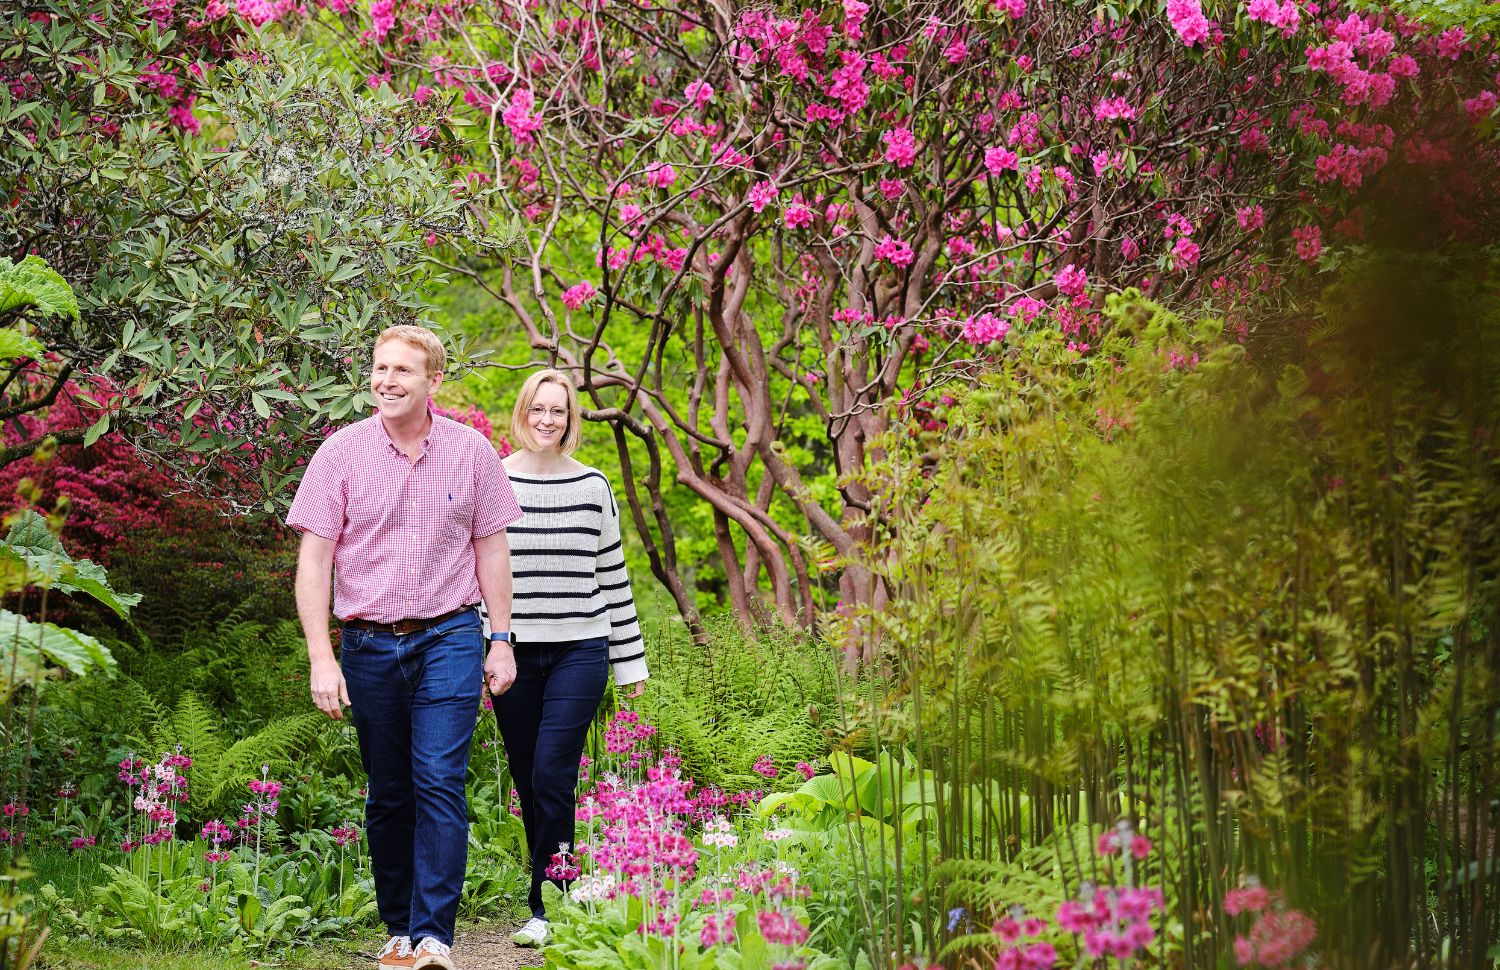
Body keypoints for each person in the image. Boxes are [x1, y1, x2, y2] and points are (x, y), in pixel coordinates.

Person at [288, 325, 523, 970]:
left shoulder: (471, 451)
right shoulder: (339, 453)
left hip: (449, 635)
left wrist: (499, 641)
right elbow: (315, 560)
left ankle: (434, 936)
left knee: (440, 781)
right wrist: (320, 656)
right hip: (366, 646)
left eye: (402, 371)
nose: (386, 381)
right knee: (389, 788)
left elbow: (492, 548)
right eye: (379, 368)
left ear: (433, 381)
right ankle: (398, 926)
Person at [481, 369, 648, 948]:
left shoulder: (593, 486)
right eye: (537, 408)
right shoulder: (494, 480)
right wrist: (483, 646)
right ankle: (558, 886)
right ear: (522, 412)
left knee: (554, 772)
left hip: (582, 647)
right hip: (513, 652)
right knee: (531, 781)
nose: (546, 419)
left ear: (571, 419)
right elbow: (479, 575)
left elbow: (613, 578)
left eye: (558, 410)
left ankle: (547, 905)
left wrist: (630, 666)